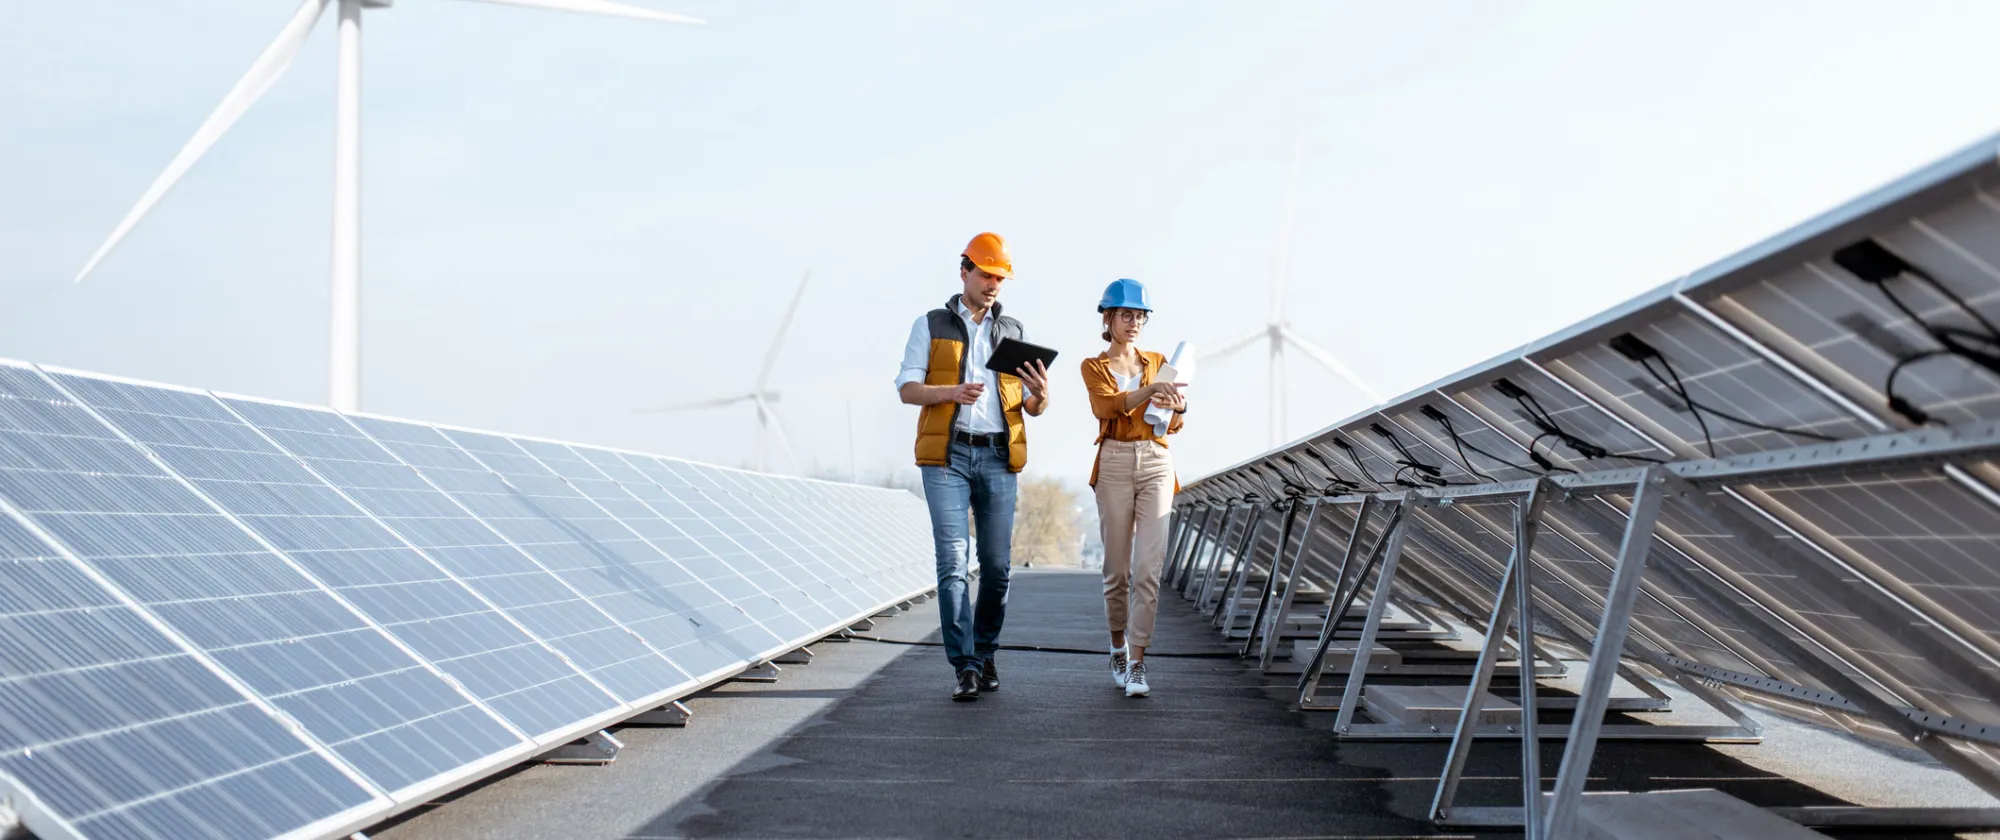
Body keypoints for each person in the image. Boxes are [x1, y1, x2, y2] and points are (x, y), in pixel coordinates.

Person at [895, 232, 1051, 702]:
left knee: (999, 567)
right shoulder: (931, 324)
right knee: (954, 563)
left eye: (1000, 277)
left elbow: (1029, 404)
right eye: (986, 274)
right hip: (948, 456)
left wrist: (1042, 396)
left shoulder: (1014, 331)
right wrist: (951, 393)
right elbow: (906, 388)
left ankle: (985, 654)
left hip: (1000, 455)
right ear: (964, 271)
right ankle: (963, 665)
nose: (993, 284)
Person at [1080, 278, 1185, 698]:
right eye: (1127, 315)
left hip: (1156, 461)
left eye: (1140, 316)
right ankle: (1117, 646)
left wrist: (1176, 407)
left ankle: (1139, 663)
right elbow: (1106, 407)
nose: (1134, 322)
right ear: (1108, 318)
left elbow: (1173, 424)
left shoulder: (1158, 361)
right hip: (1115, 463)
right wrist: (1149, 390)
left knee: (1148, 570)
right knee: (1117, 571)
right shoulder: (1094, 366)